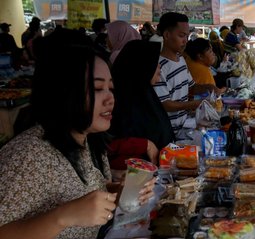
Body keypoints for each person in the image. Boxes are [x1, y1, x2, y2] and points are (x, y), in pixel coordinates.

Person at [0, 29, 155, 239]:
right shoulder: (27, 155)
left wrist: (118, 194)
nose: (110, 99)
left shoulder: (89, 141)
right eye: (97, 88)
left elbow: (87, 193)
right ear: (64, 92)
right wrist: (62, 216)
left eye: (111, 88)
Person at [109, 40, 175, 177]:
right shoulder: (116, 100)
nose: (159, 67)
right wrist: (144, 144)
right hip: (130, 180)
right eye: (155, 62)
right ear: (142, 65)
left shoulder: (145, 93)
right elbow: (106, 144)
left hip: (154, 177)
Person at [154, 12, 217, 138]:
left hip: (185, 126)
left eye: (187, 36)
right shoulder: (158, 66)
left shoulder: (181, 59)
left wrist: (209, 87)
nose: (185, 41)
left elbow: (191, 87)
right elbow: (165, 104)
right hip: (169, 132)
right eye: (181, 36)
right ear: (166, 35)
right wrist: (195, 104)